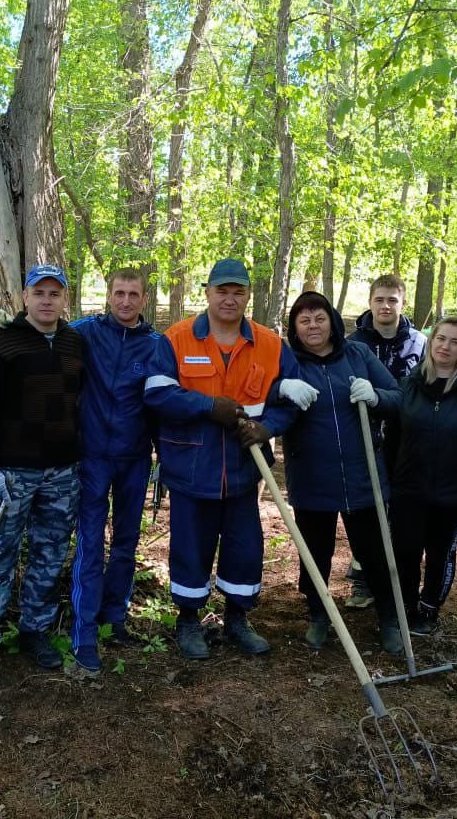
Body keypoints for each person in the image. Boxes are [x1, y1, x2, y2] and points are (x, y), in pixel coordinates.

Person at [144, 258, 314, 660]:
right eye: (222, 290)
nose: (230, 298)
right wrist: (207, 406)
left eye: (238, 291)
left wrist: (267, 427)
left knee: (244, 548)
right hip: (190, 468)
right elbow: (155, 393)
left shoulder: (270, 344)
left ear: (248, 296)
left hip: (243, 469)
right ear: (207, 292)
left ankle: (237, 618)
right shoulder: (176, 339)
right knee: (190, 547)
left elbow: (290, 400)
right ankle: (188, 620)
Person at [0, 264, 84, 696]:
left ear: (65, 298)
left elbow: (80, 402)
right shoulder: (0, 343)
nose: (47, 300)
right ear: (24, 297)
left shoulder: (74, 343)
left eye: (55, 293)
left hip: (63, 472)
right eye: (39, 292)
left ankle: (35, 631)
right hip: (12, 471)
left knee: (49, 555)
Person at [281, 292, 404, 653]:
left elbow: (398, 397)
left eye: (319, 318)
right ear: (295, 328)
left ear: (332, 321)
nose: (312, 326)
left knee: (375, 552)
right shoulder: (287, 362)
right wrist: (280, 386)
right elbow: (262, 395)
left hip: (362, 475)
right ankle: (319, 616)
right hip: (311, 477)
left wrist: (376, 397)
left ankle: (390, 619)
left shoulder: (358, 355)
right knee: (314, 553)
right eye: (304, 321)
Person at [67, 268, 162, 675]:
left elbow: (166, 399)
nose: (125, 301)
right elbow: (44, 335)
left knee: (126, 540)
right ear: (108, 295)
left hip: (134, 457)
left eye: (133, 294)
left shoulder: (157, 345)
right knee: (90, 541)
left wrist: (164, 458)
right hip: (91, 456)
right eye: (119, 293)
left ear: (144, 299)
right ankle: (84, 633)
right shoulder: (85, 332)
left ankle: (115, 616)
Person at [385, 314, 457, 636]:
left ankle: (429, 609)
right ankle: (404, 607)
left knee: (440, 552)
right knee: (405, 549)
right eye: (440, 339)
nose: (445, 346)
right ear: (431, 342)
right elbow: (392, 436)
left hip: (455, 488)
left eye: (454, 342)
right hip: (409, 486)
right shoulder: (409, 384)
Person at [344, 274, 428, 610]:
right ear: (370, 302)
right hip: (364, 436)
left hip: (406, 439)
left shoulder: (420, 343)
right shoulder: (353, 343)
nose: (385, 306)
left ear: (402, 304)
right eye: (380, 299)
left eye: (392, 300)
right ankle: (363, 581)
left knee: (399, 512)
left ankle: (397, 585)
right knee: (367, 510)